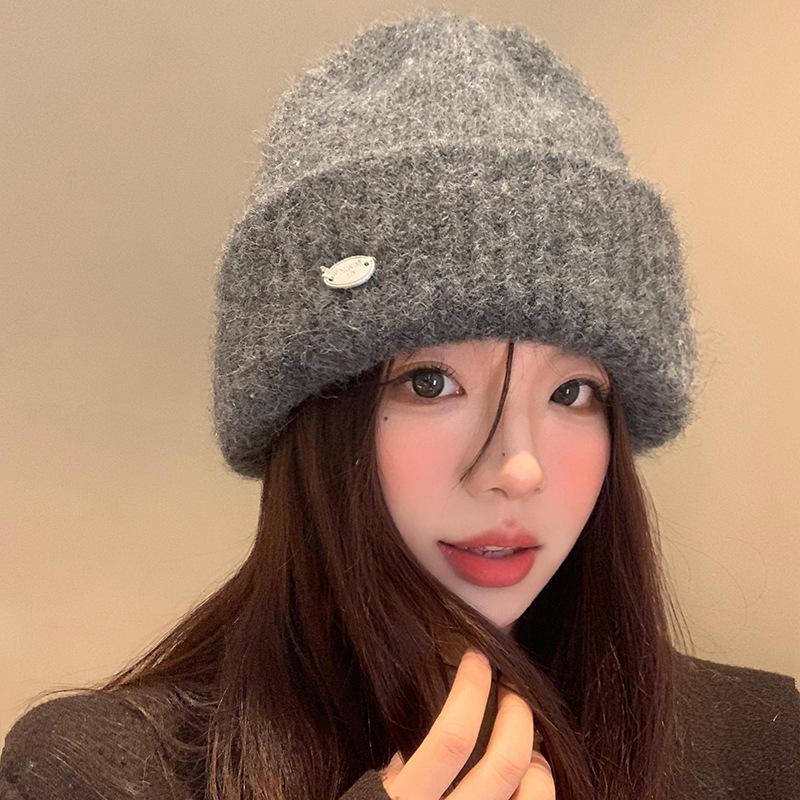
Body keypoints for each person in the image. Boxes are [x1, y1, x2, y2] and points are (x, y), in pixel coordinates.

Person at [1, 9, 798, 800]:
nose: (518, 469)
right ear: (315, 417)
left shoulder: (761, 746)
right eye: (430, 383)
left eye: (571, 392)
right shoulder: (100, 774)